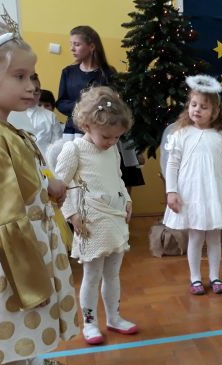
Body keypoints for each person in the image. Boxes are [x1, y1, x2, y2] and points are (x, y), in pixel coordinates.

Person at [0, 18, 78, 365]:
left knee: (20, 341)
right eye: (19, 76)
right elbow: (7, 217)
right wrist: (31, 280)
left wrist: (48, 185)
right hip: (12, 259)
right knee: (11, 344)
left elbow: (25, 177)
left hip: (22, 248)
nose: (31, 85)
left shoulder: (4, 129)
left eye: (31, 76)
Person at [55, 86, 137, 345]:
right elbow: (59, 187)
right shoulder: (74, 150)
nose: (112, 142)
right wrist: (71, 214)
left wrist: (127, 200)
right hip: (90, 223)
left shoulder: (111, 149)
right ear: (86, 125)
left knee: (113, 274)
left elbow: (117, 178)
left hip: (115, 219)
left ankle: (114, 317)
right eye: (106, 136)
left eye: (117, 137)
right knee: (92, 276)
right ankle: (90, 323)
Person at [164, 75, 222, 295]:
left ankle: (215, 276)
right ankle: (195, 278)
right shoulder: (181, 134)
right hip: (192, 194)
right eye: (194, 104)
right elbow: (172, 164)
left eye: (204, 107)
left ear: (215, 112)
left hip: (215, 194)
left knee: (214, 237)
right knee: (196, 237)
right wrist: (171, 191)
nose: (197, 110)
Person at [56, 25, 144, 189]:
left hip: (104, 130)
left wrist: (98, 109)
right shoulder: (68, 72)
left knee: (111, 172)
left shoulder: (108, 73)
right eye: (71, 44)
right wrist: (85, 108)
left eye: (77, 44)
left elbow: (115, 104)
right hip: (75, 130)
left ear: (91, 46)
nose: (72, 49)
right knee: (77, 175)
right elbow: (61, 102)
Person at [25, 74, 62, 159]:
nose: (32, 94)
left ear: (40, 92)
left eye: (36, 90)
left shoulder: (50, 116)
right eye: (29, 90)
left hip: (45, 161)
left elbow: (57, 144)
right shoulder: (12, 114)